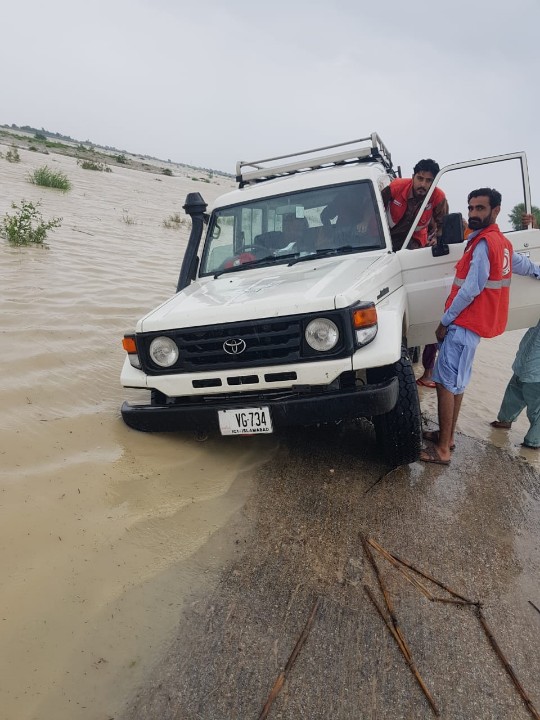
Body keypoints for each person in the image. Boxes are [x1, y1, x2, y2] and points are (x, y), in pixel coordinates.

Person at [420, 188, 540, 465]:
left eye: (480, 209)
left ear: (495, 211)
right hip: (475, 325)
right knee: (457, 382)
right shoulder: (501, 243)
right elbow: (525, 266)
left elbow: (471, 288)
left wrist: (444, 321)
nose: (474, 214)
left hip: (464, 322)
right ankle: (447, 437)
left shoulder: (485, 244)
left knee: (445, 384)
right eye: (471, 208)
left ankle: (442, 450)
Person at [382, 159, 449, 387]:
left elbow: (443, 227)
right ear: (413, 176)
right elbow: (370, 211)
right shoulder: (394, 188)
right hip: (385, 246)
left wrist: (438, 238)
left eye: (429, 180)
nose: (423, 184)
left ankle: (426, 369)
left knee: (425, 303)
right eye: (420, 178)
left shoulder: (438, 198)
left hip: (415, 247)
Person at [490, 213, 540, 449]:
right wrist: (530, 229)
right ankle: (505, 420)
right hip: (535, 328)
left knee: (535, 385)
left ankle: (534, 440)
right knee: (520, 372)